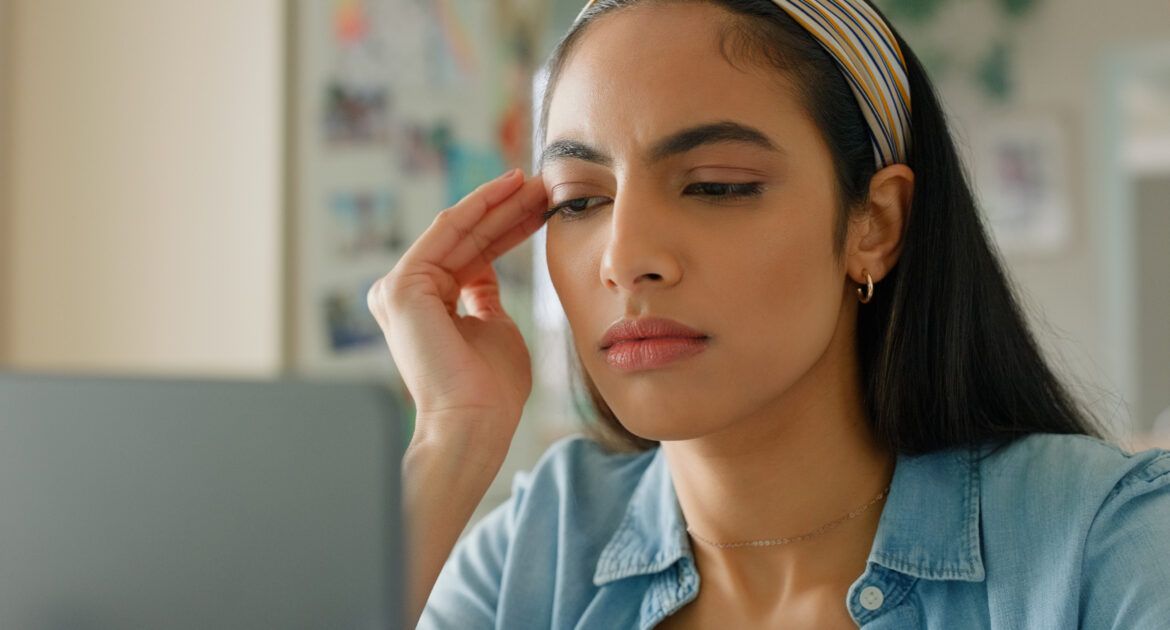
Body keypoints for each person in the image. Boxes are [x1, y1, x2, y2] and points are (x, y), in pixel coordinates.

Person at [366, 0, 1170, 627]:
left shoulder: (1111, 545)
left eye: (716, 185)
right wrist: (450, 440)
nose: (623, 256)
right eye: (580, 201)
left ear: (875, 224)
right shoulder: (539, 549)